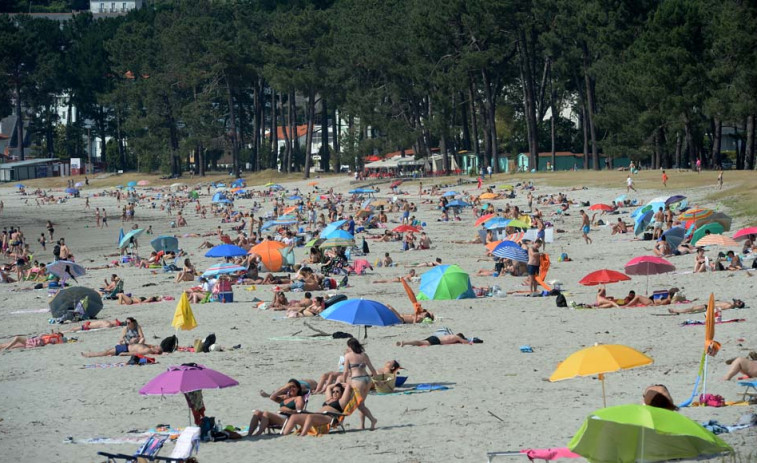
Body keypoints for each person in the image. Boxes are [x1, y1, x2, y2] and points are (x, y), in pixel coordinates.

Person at [280, 383, 353, 436]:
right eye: (333, 391)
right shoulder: (329, 399)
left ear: (342, 393)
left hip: (329, 418)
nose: (334, 393)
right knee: (294, 417)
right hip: (317, 416)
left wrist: (340, 384)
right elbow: (328, 387)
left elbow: (348, 386)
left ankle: (302, 435)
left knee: (310, 417)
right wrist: (337, 385)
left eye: (337, 392)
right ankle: (284, 434)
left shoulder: (341, 401)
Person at [343, 338, 378, 430]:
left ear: (350, 346)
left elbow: (345, 371)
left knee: (359, 404)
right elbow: (372, 369)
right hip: (367, 379)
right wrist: (378, 381)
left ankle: (373, 419)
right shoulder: (364, 355)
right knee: (362, 403)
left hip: (357, 380)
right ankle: (362, 425)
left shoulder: (348, 356)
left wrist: (343, 381)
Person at [668, 299, 745, 314]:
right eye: (739, 301)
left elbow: (720, 308)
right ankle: (681, 312)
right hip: (709, 305)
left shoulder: (730, 305)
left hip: (708, 307)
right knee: (692, 309)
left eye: (739, 303)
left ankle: (676, 311)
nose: (738, 301)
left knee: (692, 309)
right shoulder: (730, 303)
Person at [81, 343, 163, 357]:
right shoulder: (149, 348)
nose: (155, 346)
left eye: (157, 347)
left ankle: (89, 355)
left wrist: (125, 354)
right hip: (125, 346)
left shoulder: (147, 351)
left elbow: (136, 353)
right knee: (107, 351)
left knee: (106, 352)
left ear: (156, 351)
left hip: (125, 349)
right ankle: (91, 353)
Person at [397, 333, 471, 347]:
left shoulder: (451, 335)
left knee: (419, 343)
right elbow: (464, 342)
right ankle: (405, 342)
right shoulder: (456, 337)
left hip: (435, 338)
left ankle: (407, 343)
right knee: (419, 342)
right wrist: (470, 341)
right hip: (436, 341)